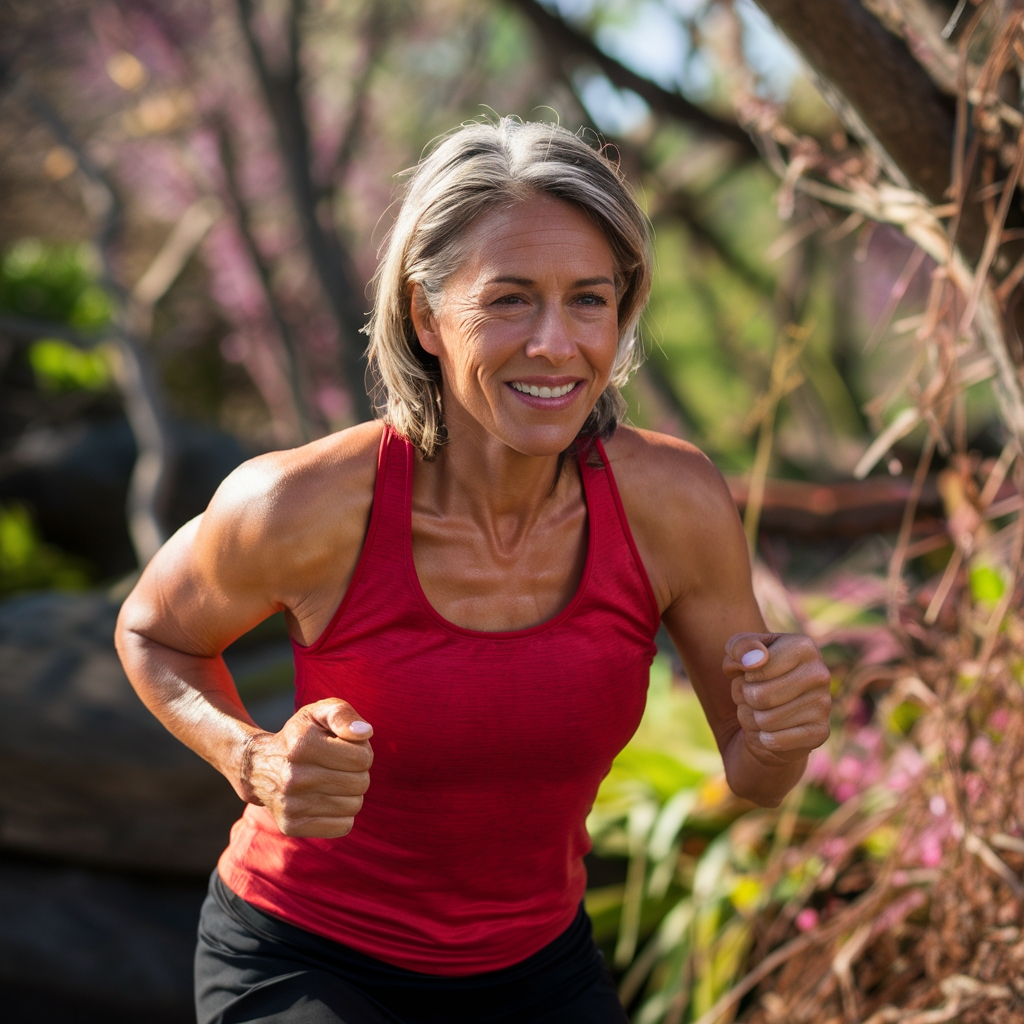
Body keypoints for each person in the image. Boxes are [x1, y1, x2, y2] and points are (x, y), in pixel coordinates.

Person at [115, 118, 832, 1024]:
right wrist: (248, 757)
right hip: (307, 958)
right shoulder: (300, 505)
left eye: (589, 300)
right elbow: (153, 631)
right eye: (508, 300)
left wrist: (781, 735)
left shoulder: (673, 503)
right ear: (425, 316)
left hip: (536, 968)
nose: (555, 344)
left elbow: (756, 773)